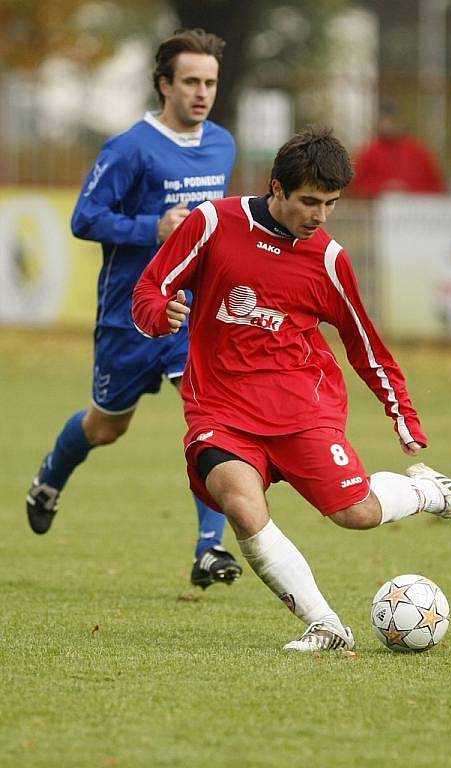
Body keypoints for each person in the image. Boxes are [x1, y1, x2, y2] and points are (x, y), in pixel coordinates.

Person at [132, 126, 451, 652]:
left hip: (304, 409)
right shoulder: (212, 223)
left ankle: (431, 491)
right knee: (239, 501)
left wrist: (403, 416)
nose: (320, 216)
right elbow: (150, 289)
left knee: (357, 513)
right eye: (309, 202)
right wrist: (161, 314)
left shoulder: (328, 259)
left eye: (330, 203)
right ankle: (326, 625)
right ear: (275, 187)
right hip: (221, 408)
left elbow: (365, 345)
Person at [26, 28, 243, 590]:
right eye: (191, 81)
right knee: (106, 427)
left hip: (191, 314)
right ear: (164, 85)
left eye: (210, 82)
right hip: (129, 316)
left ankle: (208, 549)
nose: (202, 92)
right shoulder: (129, 149)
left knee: (213, 418)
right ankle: (49, 478)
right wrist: (153, 227)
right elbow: (84, 218)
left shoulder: (222, 144)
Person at [351, 102, 446, 198]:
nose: (388, 126)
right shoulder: (367, 152)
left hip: (415, 206)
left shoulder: (419, 151)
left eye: (392, 121)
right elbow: (356, 186)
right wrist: (382, 188)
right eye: (384, 121)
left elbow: (436, 184)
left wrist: (408, 189)